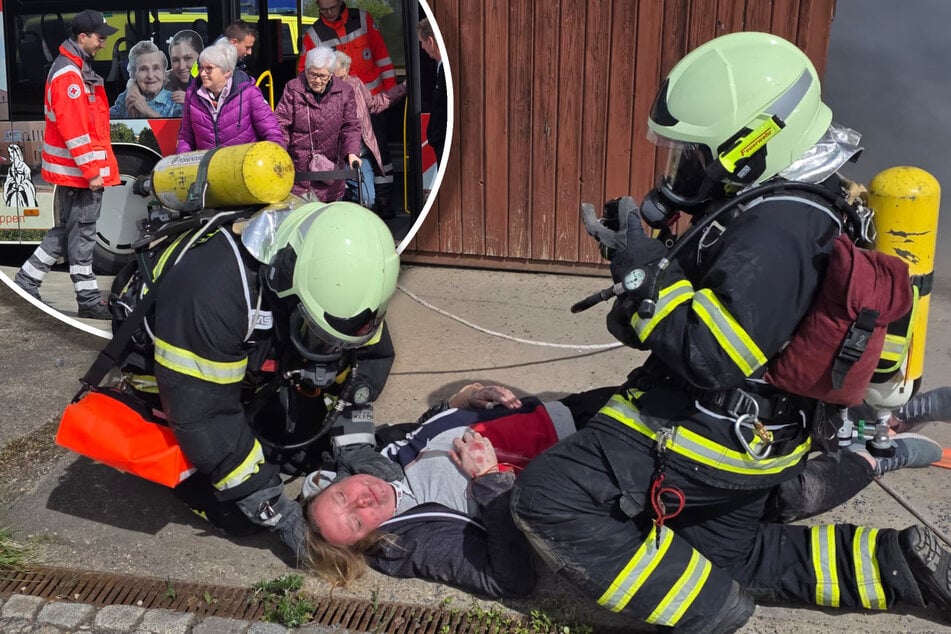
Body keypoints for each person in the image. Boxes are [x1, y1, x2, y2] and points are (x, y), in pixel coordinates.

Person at [509, 31, 951, 633]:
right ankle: (907, 569)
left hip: (712, 437)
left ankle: (705, 614)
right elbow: (666, 322)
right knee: (732, 557)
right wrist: (647, 265)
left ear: (754, 143)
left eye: (697, 153)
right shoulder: (788, 201)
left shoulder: (779, 225)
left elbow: (713, 354)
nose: (685, 167)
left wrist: (644, 274)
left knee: (549, 496)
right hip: (760, 441)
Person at [299, 380, 943, 599]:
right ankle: (876, 453)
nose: (362, 504)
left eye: (344, 497)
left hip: (576, 414)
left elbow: (420, 423)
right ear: (368, 543)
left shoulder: (381, 457)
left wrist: (466, 397)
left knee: (719, 406)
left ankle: (861, 416)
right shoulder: (411, 544)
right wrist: (488, 481)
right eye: (353, 524)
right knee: (772, 492)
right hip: (604, 473)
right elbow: (507, 579)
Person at [112, 201, 399, 560]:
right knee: (237, 514)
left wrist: (355, 443)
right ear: (283, 279)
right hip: (171, 377)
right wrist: (271, 506)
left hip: (244, 355)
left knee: (299, 451)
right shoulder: (212, 293)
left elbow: (364, 360)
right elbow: (204, 414)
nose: (328, 351)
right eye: (319, 336)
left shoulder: (351, 283)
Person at [13, 9, 119, 319]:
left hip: (75, 174)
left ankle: (26, 281)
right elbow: (75, 131)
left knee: (65, 231)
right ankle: (87, 300)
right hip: (81, 175)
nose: (102, 43)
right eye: (99, 38)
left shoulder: (74, 68)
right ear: (82, 37)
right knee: (84, 233)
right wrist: (93, 173)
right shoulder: (70, 76)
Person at [299, 0, 399, 217]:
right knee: (351, 153)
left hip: (371, 102)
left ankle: (384, 201)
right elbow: (303, 73)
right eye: (323, 9)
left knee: (380, 153)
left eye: (332, 8)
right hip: (340, 108)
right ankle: (357, 203)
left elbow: (382, 56)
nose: (329, 13)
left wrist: (391, 92)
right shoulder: (313, 35)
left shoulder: (363, 19)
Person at [275, 46, 361, 203]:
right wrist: (279, 153)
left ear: (331, 74)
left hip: (329, 169)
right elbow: (281, 124)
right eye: (313, 75)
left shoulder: (345, 91)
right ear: (306, 70)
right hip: (298, 170)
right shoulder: (293, 88)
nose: (317, 80)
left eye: (323, 76)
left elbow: (351, 126)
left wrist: (352, 152)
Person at [176, 41, 283, 153]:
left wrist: (269, 161)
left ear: (227, 72)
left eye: (209, 69)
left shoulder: (250, 93)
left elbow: (272, 134)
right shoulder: (192, 95)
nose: (202, 74)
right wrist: (183, 163)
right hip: (208, 167)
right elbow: (186, 137)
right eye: (201, 68)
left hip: (244, 167)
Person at [333, 50, 406, 209]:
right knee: (336, 204)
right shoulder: (321, 93)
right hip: (334, 159)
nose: (343, 82)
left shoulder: (356, 84)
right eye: (337, 79)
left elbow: (374, 104)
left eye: (345, 77)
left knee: (368, 201)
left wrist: (402, 88)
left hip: (361, 155)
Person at [109, 40, 181, 119]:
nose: (150, 76)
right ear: (133, 74)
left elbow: (176, 131)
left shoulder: (176, 102)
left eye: (156, 68)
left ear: (164, 74)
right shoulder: (125, 99)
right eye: (143, 69)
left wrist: (147, 111)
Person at [417, 19, 447, 167]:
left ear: (430, 41)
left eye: (422, 42)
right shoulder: (439, 68)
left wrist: (434, 136)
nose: (422, 47)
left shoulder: (445, 72)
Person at [166, 29, 203, 105]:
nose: (181, 67)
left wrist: (191, 100)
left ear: (201, 56)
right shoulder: (164, 80)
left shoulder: (214, 79)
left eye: (187, 58)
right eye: (175, 60)